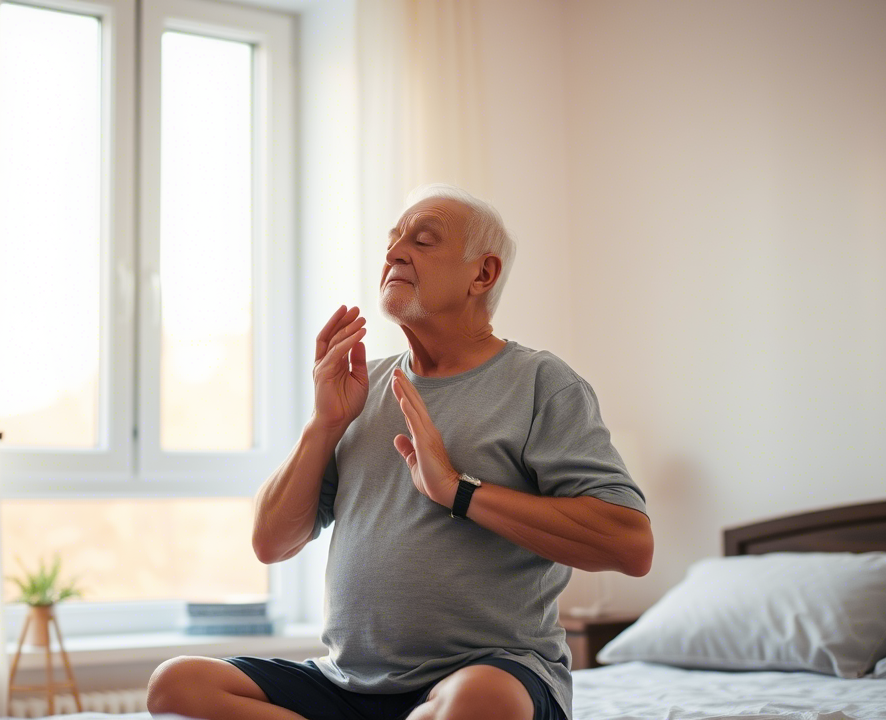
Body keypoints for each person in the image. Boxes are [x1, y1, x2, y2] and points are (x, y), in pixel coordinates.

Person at [146, 183, 654, 720]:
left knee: (481, 700)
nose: (394, 252)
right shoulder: (361, 388)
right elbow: (271, 543)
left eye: (423, 240)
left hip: (487, 672)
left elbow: (631, 544)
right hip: (347, 683)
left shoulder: (540, 383)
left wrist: (457, 490)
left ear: (482, 274)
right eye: (392, 240)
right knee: (177, 685)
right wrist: (325, 423)